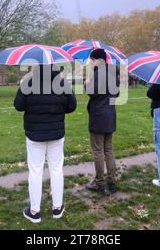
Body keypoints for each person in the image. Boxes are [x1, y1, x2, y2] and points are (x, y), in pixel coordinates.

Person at [14, 65, 77, 223]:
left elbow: (19, 105)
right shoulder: (62, 82)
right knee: (56, 169)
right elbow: (71, 105)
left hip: (36, 133)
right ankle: (57, 207)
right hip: (53, 133)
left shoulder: (28, 82)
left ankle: (35, 211)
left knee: (36, 171)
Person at [85, 49, 120, 195]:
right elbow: (116, 93)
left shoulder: (96, 73)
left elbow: (91, 92)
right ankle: (111, 181)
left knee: (98, 151)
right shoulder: (112, 73)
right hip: (110, 115)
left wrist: (87, 81)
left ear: (94, 59)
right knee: (108, 150)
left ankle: (99, 183)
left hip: (99, 116)